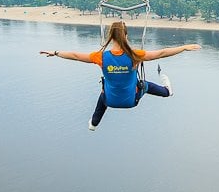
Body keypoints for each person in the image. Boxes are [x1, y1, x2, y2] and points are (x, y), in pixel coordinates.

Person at [41, 21, 201, 130]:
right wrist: (183, 47)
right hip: (131, 101)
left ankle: (94, 123)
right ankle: (167, 92)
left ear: (110, 37)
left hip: (110, 101)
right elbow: (162, 53)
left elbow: (75, 55)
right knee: (144, 84)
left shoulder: (101, 57)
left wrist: (55, 52)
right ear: (126, 36)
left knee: (103, 93)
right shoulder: (135, 55)